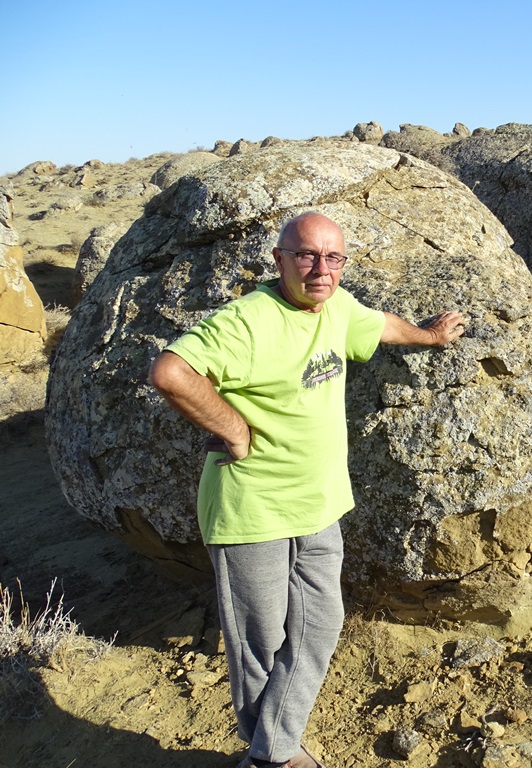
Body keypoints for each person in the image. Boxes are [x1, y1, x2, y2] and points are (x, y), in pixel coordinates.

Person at [149, 211, 464, 768]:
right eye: (306, 255)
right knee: (259, 643)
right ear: (280, 260)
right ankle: (278, 755)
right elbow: (171, 373)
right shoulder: (246, 320)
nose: (321, 269)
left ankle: (272, 751)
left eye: (333, 257)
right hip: (251, 511)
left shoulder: (335, 306)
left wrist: (431, 335)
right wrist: (232, 429)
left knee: (321, 624)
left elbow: (380, 324)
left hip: (320, 505)